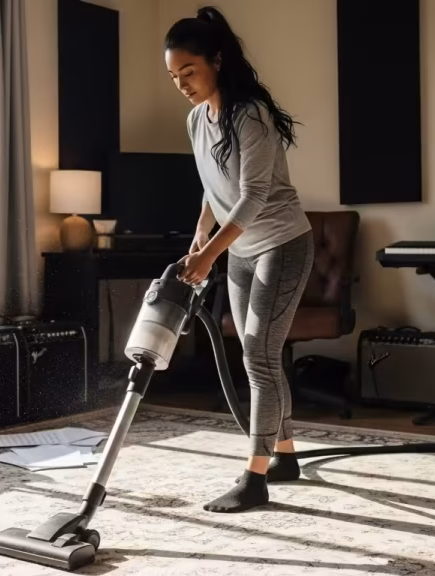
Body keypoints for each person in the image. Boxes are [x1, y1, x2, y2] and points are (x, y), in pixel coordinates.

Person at [164, 6, 315, 513]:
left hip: (282, 244)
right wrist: (199, 240)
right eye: (174, 76)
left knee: (257, 355)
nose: (182, 83)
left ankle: (254, 479)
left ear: (216, 62)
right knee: (260, 357)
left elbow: (251, 197)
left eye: (189, 71)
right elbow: (213, 188)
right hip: (241, 250)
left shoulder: (250, 114)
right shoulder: (194, 119)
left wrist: (209, 255)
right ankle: (286, 455)